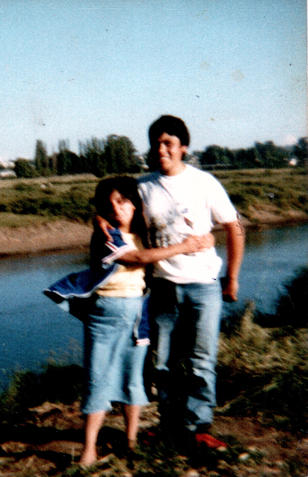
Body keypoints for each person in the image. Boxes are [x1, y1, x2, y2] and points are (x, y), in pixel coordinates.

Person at [45, 176, 214, 467]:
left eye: (122, 201)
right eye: (108, 204)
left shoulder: (144, 232)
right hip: (105, 315)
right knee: (97, 380)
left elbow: (172, 235)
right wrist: (184, 247)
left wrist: (204, 239)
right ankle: (88, 451)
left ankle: (132, 442)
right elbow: (139, 258)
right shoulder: (106, 235)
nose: (115, 208)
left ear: (135, 204)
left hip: (139, 315)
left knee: (133, 379)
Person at [98, 115, 245, 449]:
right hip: (163, 287)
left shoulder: (205, 183)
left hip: (204, 286)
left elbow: (234, 227)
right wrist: (98, 218)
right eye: (156, 143)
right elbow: (112, 207)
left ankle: (198, 428)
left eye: (168, 143)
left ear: (183, 148)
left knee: (201, 360)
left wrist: (232, 277)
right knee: (162, 361)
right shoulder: (143, 185)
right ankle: (168, 424)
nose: (161, 149)